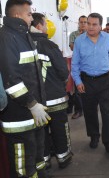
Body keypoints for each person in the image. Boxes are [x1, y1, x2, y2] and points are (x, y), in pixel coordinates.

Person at [0, 0, 51, 178]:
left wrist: (38, 104)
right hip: (19, 118)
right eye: (29, 14)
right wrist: (32, 104)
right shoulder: (6, 38)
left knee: (37, 157)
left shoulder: (24, 35)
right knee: (23, 168)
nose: (32, 18)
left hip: (34, 115)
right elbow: (11, 80)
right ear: (17, 14)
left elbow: (33, 74)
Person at [30, 13, 72, 169]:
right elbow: (63, 71)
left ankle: (44, 160)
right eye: (46, 24)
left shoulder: (23, 44)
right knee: (60, 128)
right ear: (40, 26)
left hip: (35, 101)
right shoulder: (50, 45)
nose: (47, 28)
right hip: (55, 98)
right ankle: (63, 157)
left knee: (40, 131)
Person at [71, 13, 109, 153]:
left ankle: (108, 142)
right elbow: (75, 64)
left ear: (100, 26)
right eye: (88, 23)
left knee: (106, 112)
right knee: (90, 112)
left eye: (94, 24)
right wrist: (78, 81)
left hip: (104, 80)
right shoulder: (79, 41)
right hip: (87, 81)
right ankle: (94, 136)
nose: (90, 27)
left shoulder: (108, 38)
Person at [68, 15, 87, 119]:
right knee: (78, 89)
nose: (83, 24)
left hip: (89, 66)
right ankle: (79, 110)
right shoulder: (73, 35)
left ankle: (89, 107)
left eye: (85, 22)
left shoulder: (92, 34)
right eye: (81, 22)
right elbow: (73, 48)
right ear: (78, 23)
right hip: (77, 65)